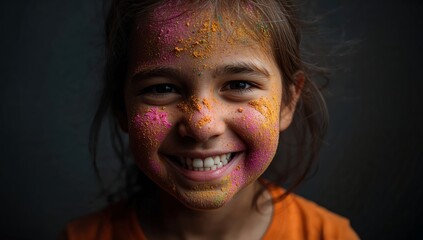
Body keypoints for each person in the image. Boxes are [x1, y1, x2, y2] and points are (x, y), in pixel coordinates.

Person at [63, 0, 360, 239]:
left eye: (239, 85)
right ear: (121, 107)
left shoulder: (329, 235)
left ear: (288, 102)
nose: (202, 126)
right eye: (162, 89)